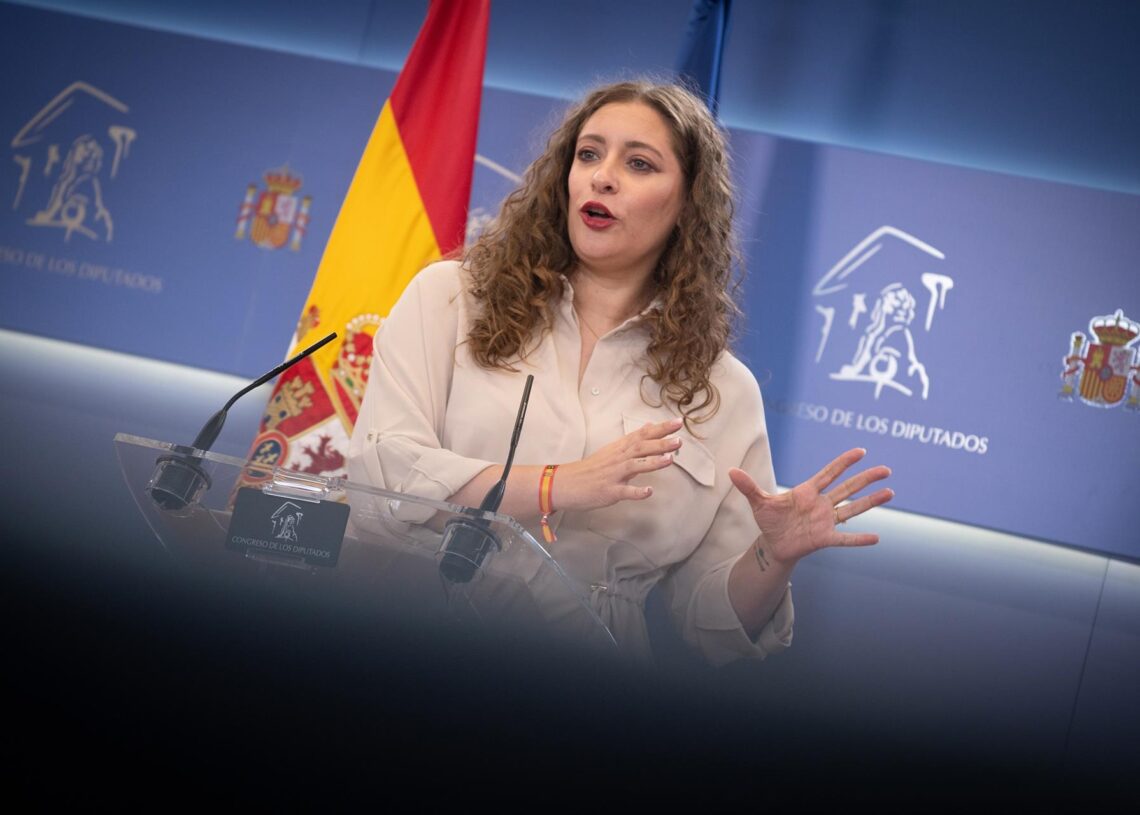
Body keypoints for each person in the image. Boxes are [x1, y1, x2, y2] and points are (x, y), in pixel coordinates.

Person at [347, 80, 893, 666]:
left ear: (688, 203)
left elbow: (709, 624)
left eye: (638, 163)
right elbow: (383, 475)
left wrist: (773, 558)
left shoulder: (721, 391)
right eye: (588, 154)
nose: (601, 177)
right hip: (402, 640)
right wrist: (558, 485)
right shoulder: (450, 299)